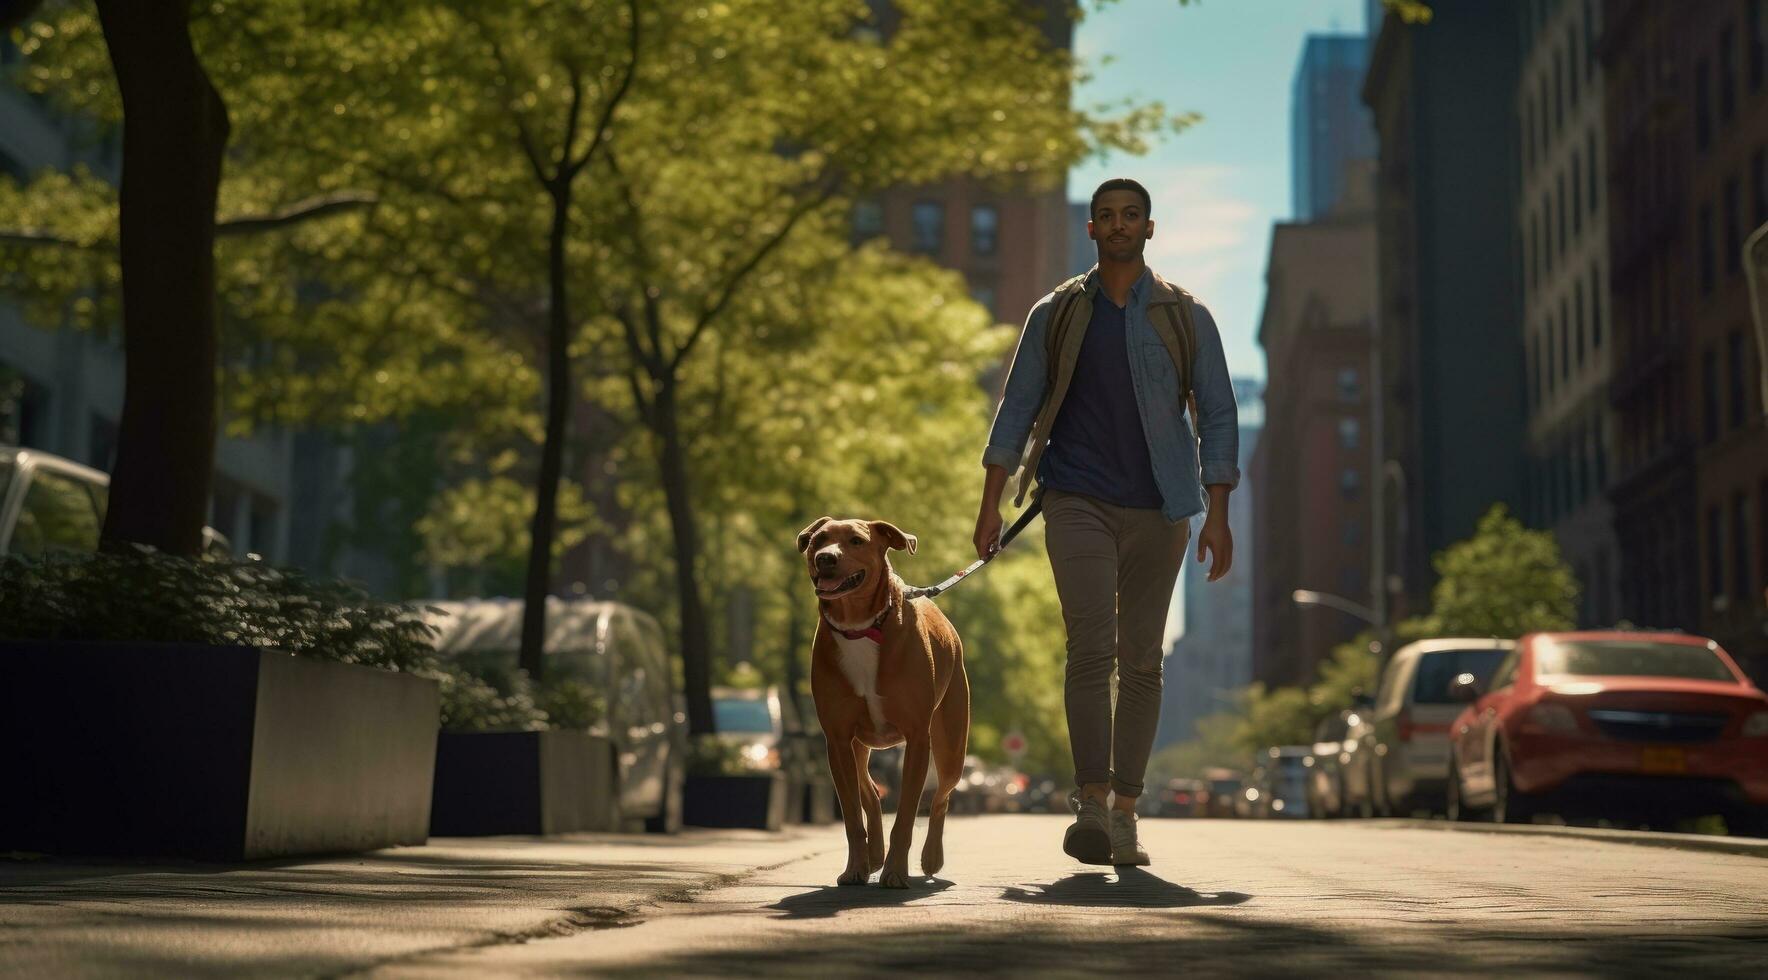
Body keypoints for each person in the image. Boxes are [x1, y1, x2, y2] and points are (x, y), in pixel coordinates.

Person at [973, 178, 1239, 866]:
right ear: (1090, 230)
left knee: (1143, 662)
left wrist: (1219, 513)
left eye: (1131, 216)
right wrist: (990, 502)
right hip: (1076, 499)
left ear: (1150, 228)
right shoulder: (1056, 313)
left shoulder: (1186, 316)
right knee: (1091, 648)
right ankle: (1090, 803)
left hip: (1161, 507)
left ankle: (1126, 811)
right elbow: (1018, 405)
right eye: (1106, 216)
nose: (1119, 225)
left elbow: (1217, 415)